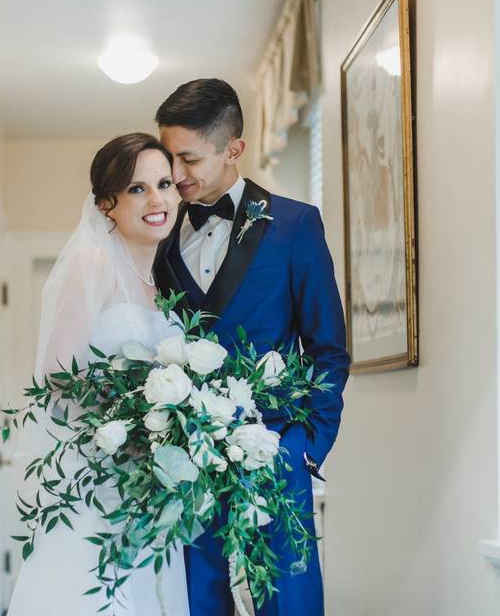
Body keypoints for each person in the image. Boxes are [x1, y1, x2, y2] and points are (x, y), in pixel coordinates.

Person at [152, 78, 350, 616]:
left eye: (188, 158)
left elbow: (329, 347)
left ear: (233, 149)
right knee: (196, 599)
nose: (175, 174)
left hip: (275, 450)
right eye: (169, 156)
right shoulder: (161, 238)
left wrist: (305, 445)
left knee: (289, 601)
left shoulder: (294, 224)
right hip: (187, 461)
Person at [7, 133, 190, 616]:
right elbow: (56, 377)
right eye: (137, 189)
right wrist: (126, 429)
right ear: (107, 204)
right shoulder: (95, 265)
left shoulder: (163, 280)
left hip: (153, 490)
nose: (157, 199)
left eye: (165, 184)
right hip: (100, 484)